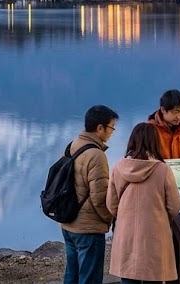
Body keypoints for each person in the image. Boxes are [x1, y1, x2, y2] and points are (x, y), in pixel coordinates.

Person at [107, 122, 180, 284]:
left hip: (126, 231)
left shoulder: (119, 167)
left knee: (128, 276)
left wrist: (125, 216)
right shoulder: (162, 170)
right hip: (155, 233)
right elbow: (174, 205)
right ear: (155, 142)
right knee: (153, 276)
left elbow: (111, 204)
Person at [61, 105, 119, 284]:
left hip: (69, 222)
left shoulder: (74, 145)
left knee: (72, 275)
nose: (112, 132)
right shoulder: (95, 155)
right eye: (111, 127)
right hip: (88, 228)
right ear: (99, 128)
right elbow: (99, 197)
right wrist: (109, 219)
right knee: (90, 278)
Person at [147, 89, 180, 159]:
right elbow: (145, 162)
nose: (179, 116)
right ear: (163, 110)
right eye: (175, 112)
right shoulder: (149, 130)